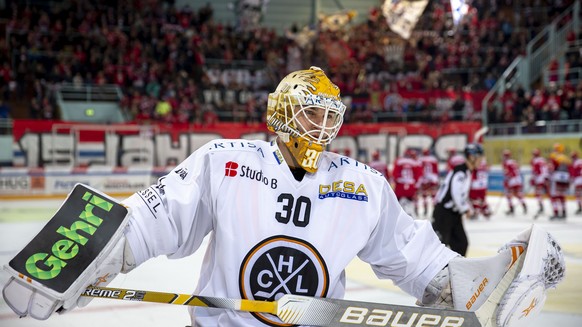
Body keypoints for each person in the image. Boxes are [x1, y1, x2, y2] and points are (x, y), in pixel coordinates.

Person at [3, 67, 565, 326]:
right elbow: (148, 221)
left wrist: (475, 284)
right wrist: (68, 257)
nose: (321, 124)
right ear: (279, 113)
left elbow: (417, 257)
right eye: (310, 111)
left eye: (330, 114)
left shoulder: (363, 184)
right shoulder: (225, 162)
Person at [432, 143, 482, 256]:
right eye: (479, 157)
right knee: (439, 245)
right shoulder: (460, 171)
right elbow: (456, 193)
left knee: (461, 244)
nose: (481, 161)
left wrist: (468, 207)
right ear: (471, 157)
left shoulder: (467, 172)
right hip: (444, 214)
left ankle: (456, 271)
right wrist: (465, 209)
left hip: (454, 214)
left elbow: (462, 195)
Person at [391, 148, 422, 216]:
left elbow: (394, 174)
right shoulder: (415, 162)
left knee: (397, 200)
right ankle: (412, 212)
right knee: (411, 200)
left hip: (400, 184)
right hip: (410, 184)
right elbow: (418, 174)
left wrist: (394, 182)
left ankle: (396, 213)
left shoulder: (399, 161)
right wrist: (416, 184)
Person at [548, 143, 572, 220]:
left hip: (556, 177)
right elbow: (569, 169)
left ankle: (556, 212)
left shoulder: (553, 156)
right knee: (562, 196)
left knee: (553, 196)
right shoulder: (566, 158)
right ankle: (564, 212)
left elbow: (551, 168)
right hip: (564, 178)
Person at [502, 149, 527, 216]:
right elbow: (518, 169)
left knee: (508, 194)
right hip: (518, 179)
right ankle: (524, 205)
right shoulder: (514, 161)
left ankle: (511, 209)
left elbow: (507, 173)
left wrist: (506, 181)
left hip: (512, 180)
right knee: (517, 194)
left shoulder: (505, 163)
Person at [468, 154, 491, 219]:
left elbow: (472, 169)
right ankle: (486, 210)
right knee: (482, 199)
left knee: (472, 198)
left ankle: (476, 211)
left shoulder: (476, 161)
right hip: (483, 184)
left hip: (475, 184)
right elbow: (488, 169)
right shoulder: (484, 162)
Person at [418, 148, 439, 217]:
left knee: (424, 195)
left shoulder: (420, 159)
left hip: (424, 179)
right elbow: (436, 170)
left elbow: (419, 170)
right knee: (433, 195)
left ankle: (425, 209)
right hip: (432, 179)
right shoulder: (433, 159)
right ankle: (435, 209)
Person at [530, 148, 550, 218]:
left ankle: (541, 207)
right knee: (549, 193)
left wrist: (533, 179)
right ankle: (555, 209)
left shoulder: (535, 161)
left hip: (539, 179)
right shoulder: (543, 160)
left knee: (538, 193)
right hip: (545, 178)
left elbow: (535, 171)